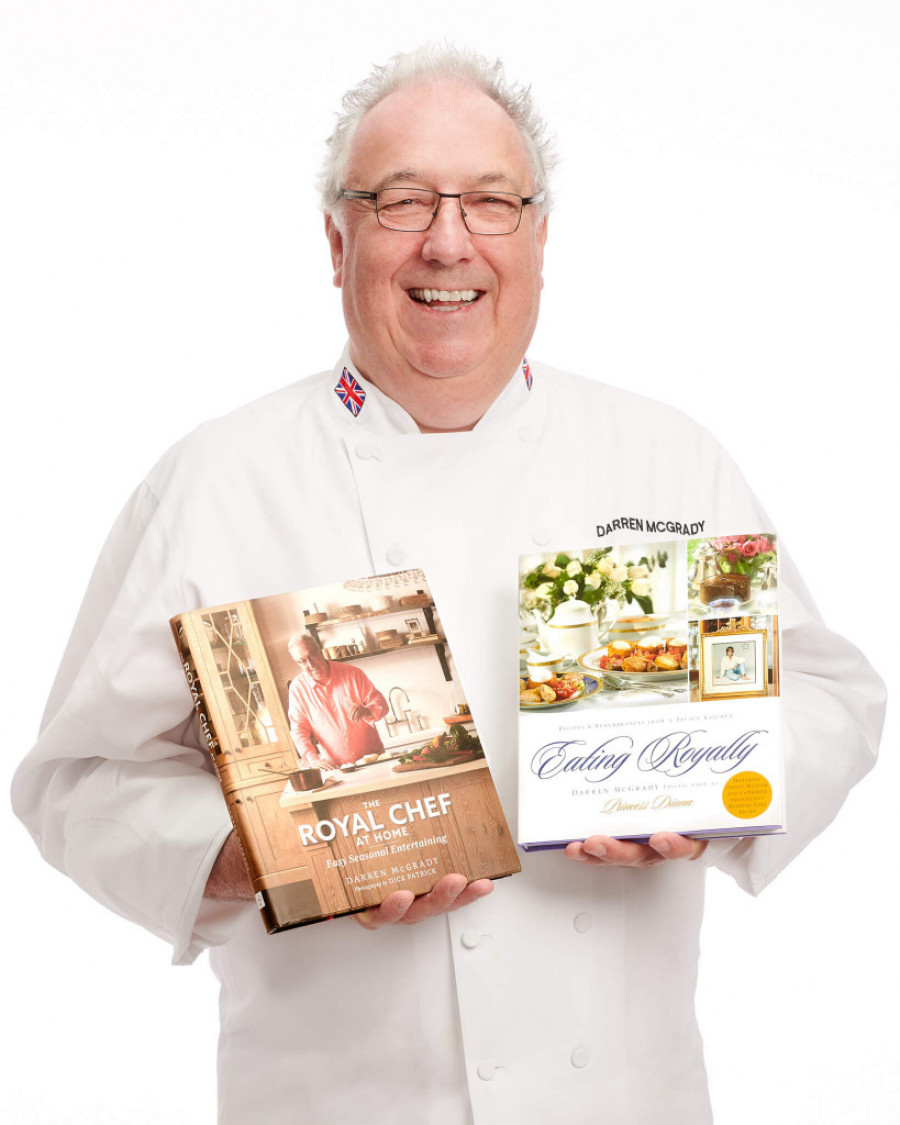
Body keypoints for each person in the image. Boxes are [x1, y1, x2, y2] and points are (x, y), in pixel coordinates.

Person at [10, 45, 885, 1125]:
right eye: (402, 200)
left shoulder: (667, 458)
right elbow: (75, 784)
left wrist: (723, 791)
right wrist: (261, 853)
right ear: (337, 240)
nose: (448, 241)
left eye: (491, 202)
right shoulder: (216, 480)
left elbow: (832, 698)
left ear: (540, 237)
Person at [286, 631, 388, 766]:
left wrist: (367, 711)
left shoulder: (353, 673)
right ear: (297, 663)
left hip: (374, 760)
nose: (311, 664)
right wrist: (314, 760)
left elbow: (381, 704)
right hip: (337, 768)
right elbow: (298, 731)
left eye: (312, 656)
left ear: (319, 651)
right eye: (303, 661)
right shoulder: (297, 689)